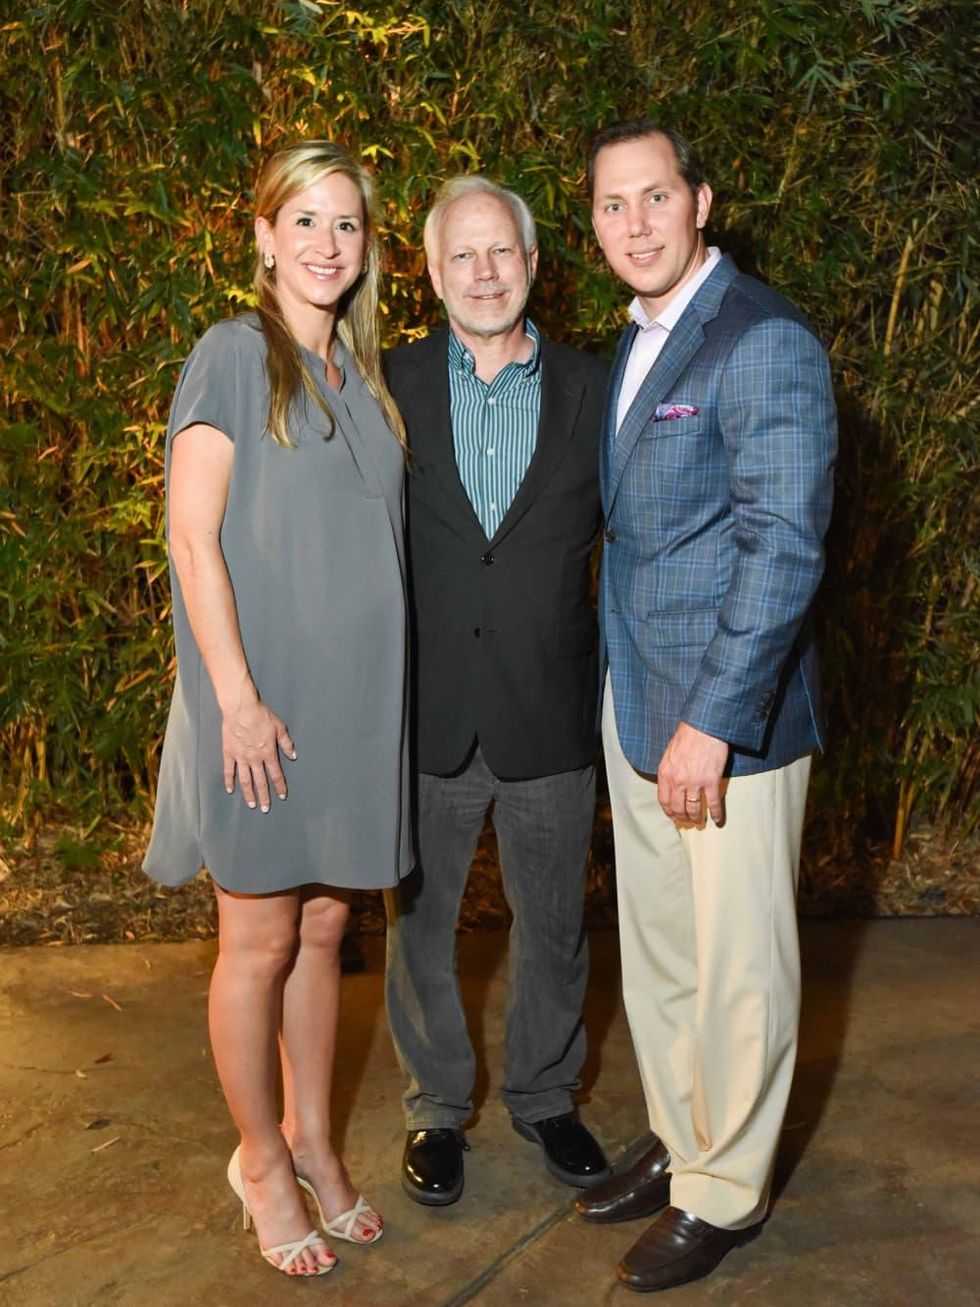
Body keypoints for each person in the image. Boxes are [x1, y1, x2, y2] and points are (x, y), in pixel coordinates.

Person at [143, 140, 411, 1277]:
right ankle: (259, 1155)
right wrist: (238, 701)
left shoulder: (362, 376)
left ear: (367, 246)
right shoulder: (232, 354)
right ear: (261, 236)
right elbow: (192, 537)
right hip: (257, 697)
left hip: (351, 705)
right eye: (302, 220)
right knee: (255, 937)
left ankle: (311, 1132)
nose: (324, 244)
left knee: (324, 927)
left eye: (345, 224)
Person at [577, 119, 837, 1292]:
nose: (633, 224)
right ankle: (687, 1141)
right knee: (663, 954)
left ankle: (726, 1191)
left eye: (653, 197)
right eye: (609, 205)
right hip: (635, 696)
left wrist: (713, 720)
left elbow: (782, 546)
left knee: (738, 964)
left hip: (725, 724)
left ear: (701, 200)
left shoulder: (762, 337)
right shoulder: (633, 340)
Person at [383, 177, 610, 1205]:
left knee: (553, 919)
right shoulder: (384, 389)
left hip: (547, 702)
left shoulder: (592, 390)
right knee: (419, 924)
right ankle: (434, 1107)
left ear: (531, 263)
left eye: (501, 253)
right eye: (460, 256)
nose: (482, 272)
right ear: (431, 274)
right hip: (423, 708)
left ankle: (545, 1091)